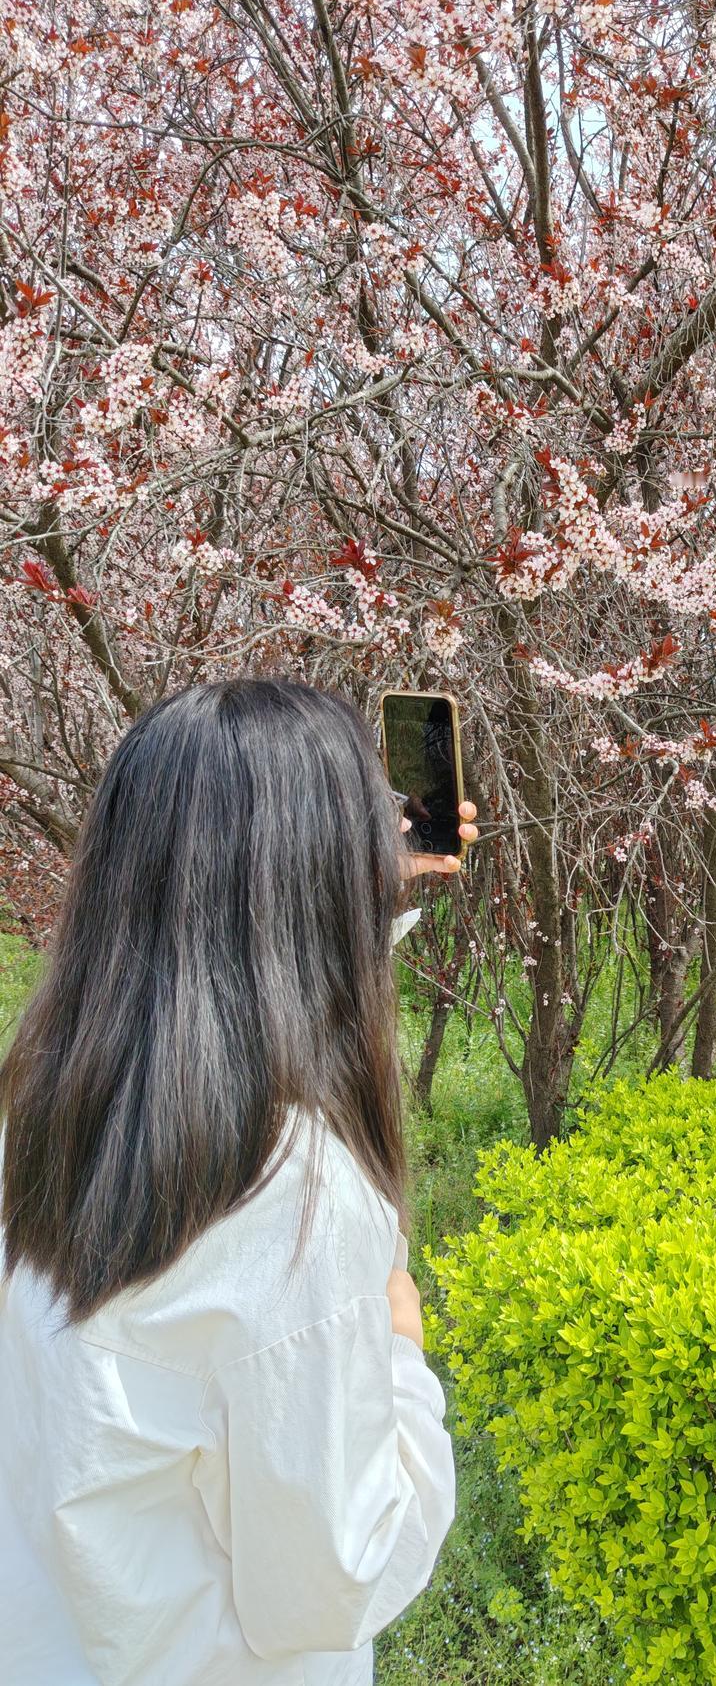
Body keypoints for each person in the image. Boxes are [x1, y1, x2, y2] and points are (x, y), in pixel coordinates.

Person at [0, 677, 479, 1686]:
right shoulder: (293, 1196)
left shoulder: (48, 1103)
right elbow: (334, 1580)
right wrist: (401, 1348)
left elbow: (245, 979)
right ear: (315, 877)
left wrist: (366, 900)